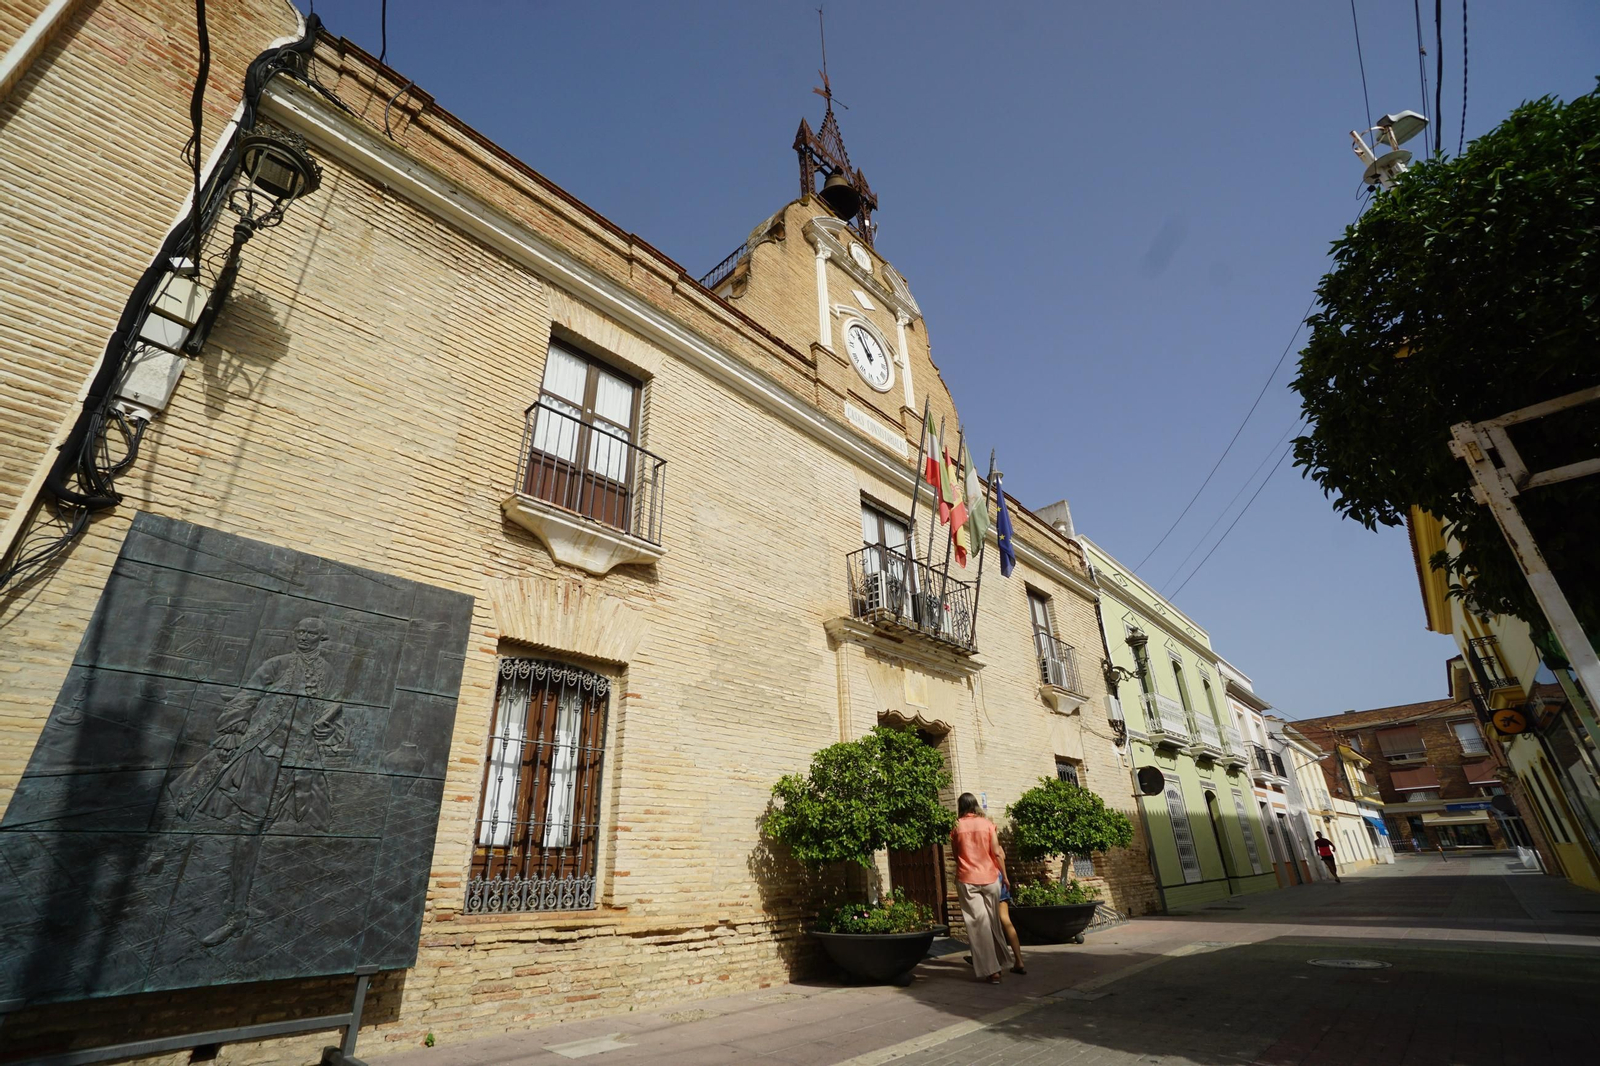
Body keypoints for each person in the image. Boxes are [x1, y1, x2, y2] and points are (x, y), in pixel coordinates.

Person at [950, 792, 1012, 983]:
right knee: (992, 922)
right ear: (976, 805)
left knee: (978, 925)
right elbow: (996, 852)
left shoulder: (956, 827)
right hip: (990, 877)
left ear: (960, 807)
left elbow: (955, 854)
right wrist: (1005, 877)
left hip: (968, 879)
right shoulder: (987, 824)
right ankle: (1001, 961)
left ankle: (992, 970)